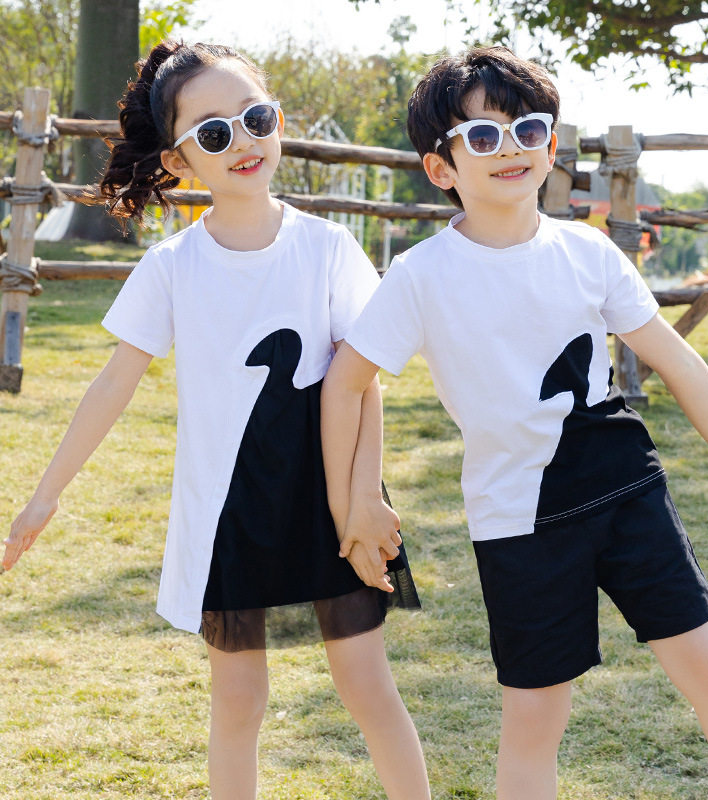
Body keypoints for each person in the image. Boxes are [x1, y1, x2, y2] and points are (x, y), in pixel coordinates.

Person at [320, 46, 708, 800]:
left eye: (529, 129)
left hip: (626, 492)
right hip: (518, 520)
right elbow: (345, 384)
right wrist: (356, 502)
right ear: (440, 168)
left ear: (550, 147)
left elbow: (677, 361)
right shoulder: (419, 277)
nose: (510, 149)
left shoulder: (588, 251)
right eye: (483, 136)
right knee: (536, 717)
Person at [3, 41, 430, 800]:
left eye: (254, 118)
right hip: (230, 513)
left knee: (367, 686)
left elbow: (363, 384)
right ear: (178, 161)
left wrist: (363, 499)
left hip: (332, 497)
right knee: (238, 702)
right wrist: (44, 497)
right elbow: (112, 384)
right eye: (213, 132)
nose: (241, 141)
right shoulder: (172, 266)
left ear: (278, 122)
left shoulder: (327, 248)